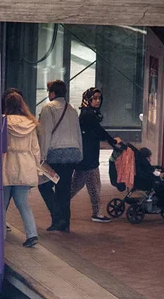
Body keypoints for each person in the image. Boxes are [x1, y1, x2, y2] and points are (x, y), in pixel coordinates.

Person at [37, 80, 83, 232]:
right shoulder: (72, 109)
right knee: (63, 188)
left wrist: (42, 156)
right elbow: (78, 133)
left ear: (53, 93)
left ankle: (58, 219)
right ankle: (65, 222)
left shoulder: (48, 108)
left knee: (44, 185)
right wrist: (79, 154)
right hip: (72, 154)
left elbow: (45, 133)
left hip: (56, 154)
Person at [71, 88, 121, 222]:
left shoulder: (88, 113)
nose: (97, 101)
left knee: (76, 185)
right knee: (94, 186)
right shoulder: (88, 114)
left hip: (85, 155)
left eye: (99, 98)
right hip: (88, 157)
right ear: (88, 99)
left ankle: (59, 202)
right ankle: (97, 213)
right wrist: (112, 141)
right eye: (94, 98)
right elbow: (99, 131)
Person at [2, 91, 40, 248]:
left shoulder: (3, 121)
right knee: (23, 203)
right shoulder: (30, 123)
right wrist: (37, 169)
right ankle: (32, 234)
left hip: (6, 163)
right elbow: (35, 149)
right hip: (25, 164)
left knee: (1, 204)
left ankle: (0, 235)